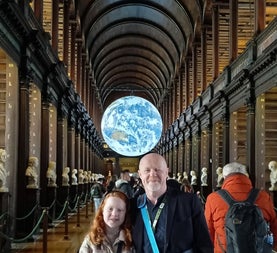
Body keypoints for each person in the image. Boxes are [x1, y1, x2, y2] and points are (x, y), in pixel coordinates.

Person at [131, 152, 213, 253]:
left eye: (157, 169)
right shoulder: (133, 205)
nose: (153, 174)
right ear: (140, 174)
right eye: (147, 170)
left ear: (166, 172)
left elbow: (204, 245)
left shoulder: (188, 202)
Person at [204, 162, 277, 253]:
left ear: (224, 177)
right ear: (246, 176)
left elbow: (207, 230)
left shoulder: (213, 198)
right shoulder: (263, 196)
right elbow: (274, 226)